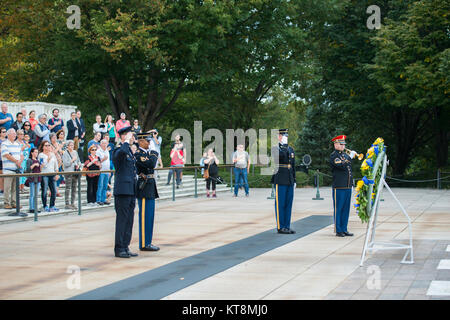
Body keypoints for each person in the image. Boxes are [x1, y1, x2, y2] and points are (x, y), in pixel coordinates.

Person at [112, 126, 137, 258]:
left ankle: (125, 246)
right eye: (129, 135)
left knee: (129, 220)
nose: (132, 138)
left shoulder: (129, 152)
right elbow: (121, 154)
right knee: (122, 220)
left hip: (131, 190)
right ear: (122, 136)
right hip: (122, 191)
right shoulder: (118, 150)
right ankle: (119, 248)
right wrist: (126, 142)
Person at [135, 133, 160, 252]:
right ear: (140, 142)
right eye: (147, 141)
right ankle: (144, 243)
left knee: (150, 216)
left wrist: (152, 155)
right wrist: (154, 153)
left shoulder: (147, 154)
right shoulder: (139, 154)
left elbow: (151, 164)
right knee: (145, 216)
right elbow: (151, 163)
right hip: (144, 187)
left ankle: (148, 241)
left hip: (150, 185)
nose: (149, 143)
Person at [271, 128, 296, 234]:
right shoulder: (275, 148)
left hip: (289, 179)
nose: (286, 137)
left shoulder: (291, 149)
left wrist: (294, 180)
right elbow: (280, 157)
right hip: (280, 178)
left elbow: (293, 165)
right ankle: (281, 227)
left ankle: (287, 225)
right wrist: (284, 146)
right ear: (279, 137)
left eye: (286, 136)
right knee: (280, 203)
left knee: (288, 203)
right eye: (284, 136)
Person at [330, 135, 354, 237]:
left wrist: (351, 184)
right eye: (341, 144)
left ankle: (344, 228)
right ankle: (338, 229)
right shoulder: (334, 156)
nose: (343, 146)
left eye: (344, 144)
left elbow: (348, 170)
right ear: (336, 144)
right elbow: (341, 166)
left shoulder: (344, 155)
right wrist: (350, 157)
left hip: (347, 185)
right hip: (339, 186)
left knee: (346, 209)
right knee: (339, 208)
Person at [1, 129, 24, 212]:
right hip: (8, 169)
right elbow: (7, 155)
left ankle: (14, 202)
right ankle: (6, 203)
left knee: (15, 187)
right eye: (13, 134)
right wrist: (16, 161)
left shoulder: (17, 144)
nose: (15, 135)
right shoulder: (4, 144)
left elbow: (21, 155)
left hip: (16, 169)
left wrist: (19, 162)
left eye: (15, 134)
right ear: (8, 135)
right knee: (7, 187)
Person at [38, 141, 59, 212]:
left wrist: (57, 174)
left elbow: (56, 165)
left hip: (52, 173)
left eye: (49, 145)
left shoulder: (52, 154)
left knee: (54, 190)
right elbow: (42, 166)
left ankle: (52, 205)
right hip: (45, 174)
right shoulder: (41, 155)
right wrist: (48, 159)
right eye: (46, 145)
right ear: (43, 147)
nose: (48, 147)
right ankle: (45, 205)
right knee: (44, 190)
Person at [62, 140, 81, 210]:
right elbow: (66, 164)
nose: (72, 147)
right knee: (68, 188)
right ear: (67, 146)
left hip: (75, 172)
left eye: (73, 145)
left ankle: (72, 203)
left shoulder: (75, 152)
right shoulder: (65, 154)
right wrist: (72, 160)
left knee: (74, 188)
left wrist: (78, 165)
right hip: (68, 172)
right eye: (70, 145)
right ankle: (67, 203)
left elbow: (78, 160)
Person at [25, 147, 41, 213]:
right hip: (32, 178)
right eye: (35, 152)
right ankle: (31, 207)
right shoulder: (29, 160)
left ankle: (35, 207)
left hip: (38, 178)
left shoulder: (38, 160)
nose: (36, 154)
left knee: (36, 194)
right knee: (32, 194)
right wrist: (34, 165)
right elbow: (28, 169)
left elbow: (40, 169)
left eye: (37, 152)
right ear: (32, 153)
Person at [96, 139, 111, 205]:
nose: (104, 144)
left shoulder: (107, 151)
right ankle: (99, 200)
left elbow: (108, 161)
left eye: (105, 143)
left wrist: (109, 170)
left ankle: (103, 199)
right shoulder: (98, 151)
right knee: (100, 185)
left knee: (105, 186)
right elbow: (97, 162)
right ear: (100, 144)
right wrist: (103, 159)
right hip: (101, 171)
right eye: (103, 143)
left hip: (107, 171)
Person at [0, 128, 7, 195]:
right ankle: (2, 189)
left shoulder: (7, 140)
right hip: (1, 159)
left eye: (5, 132)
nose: (5, 133)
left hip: (6, 160)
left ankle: (5, 189)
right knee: (1, 175)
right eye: (3, 132)